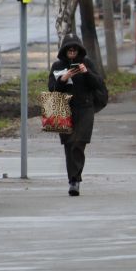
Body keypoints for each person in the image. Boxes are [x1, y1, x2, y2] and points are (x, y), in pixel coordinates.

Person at [49, 34, 104, 196]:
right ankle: (73, 181)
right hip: (64, 109)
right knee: (69, 145)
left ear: (79, 50)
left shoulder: (87, 64)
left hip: (85, 108)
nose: (72, 52)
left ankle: (76, 178)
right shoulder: (57, 65)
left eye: (74, 50)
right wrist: (63, 79)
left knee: (79, 142)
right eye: (69, 50)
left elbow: (98, 84)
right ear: (64, 51)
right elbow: (52, 90)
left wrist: (86, 73)